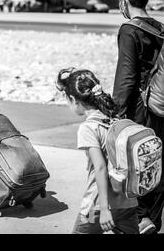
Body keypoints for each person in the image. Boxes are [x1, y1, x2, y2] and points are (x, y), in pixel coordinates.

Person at [56, 68, 139, 234]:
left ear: (73, 99)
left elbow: (100, 167)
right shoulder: (114, 118)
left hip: (98, 205)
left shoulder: (88, 128)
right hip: (128, 202)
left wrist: (104, 208)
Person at [113, 0, 164, 234]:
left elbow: (127, 76)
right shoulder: (160, 28)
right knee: (157, 164)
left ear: (124, 1)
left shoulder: (129, 30)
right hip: (161, 108)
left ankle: (141, 221)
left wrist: (116, 115)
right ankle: (153, 218)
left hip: (141, 110)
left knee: (136, 164)